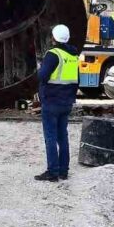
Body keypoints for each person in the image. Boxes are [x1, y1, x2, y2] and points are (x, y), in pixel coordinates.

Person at [35, 24, 81, 182]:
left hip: (51, 101)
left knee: (50, 137)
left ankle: (52, 172)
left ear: (53, 38)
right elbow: (77, 81)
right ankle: (63, 171)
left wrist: (39, 69)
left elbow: (42, 76)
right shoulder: (73, 56)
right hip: (66, 102)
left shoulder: (53, 54)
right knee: (63, 137)